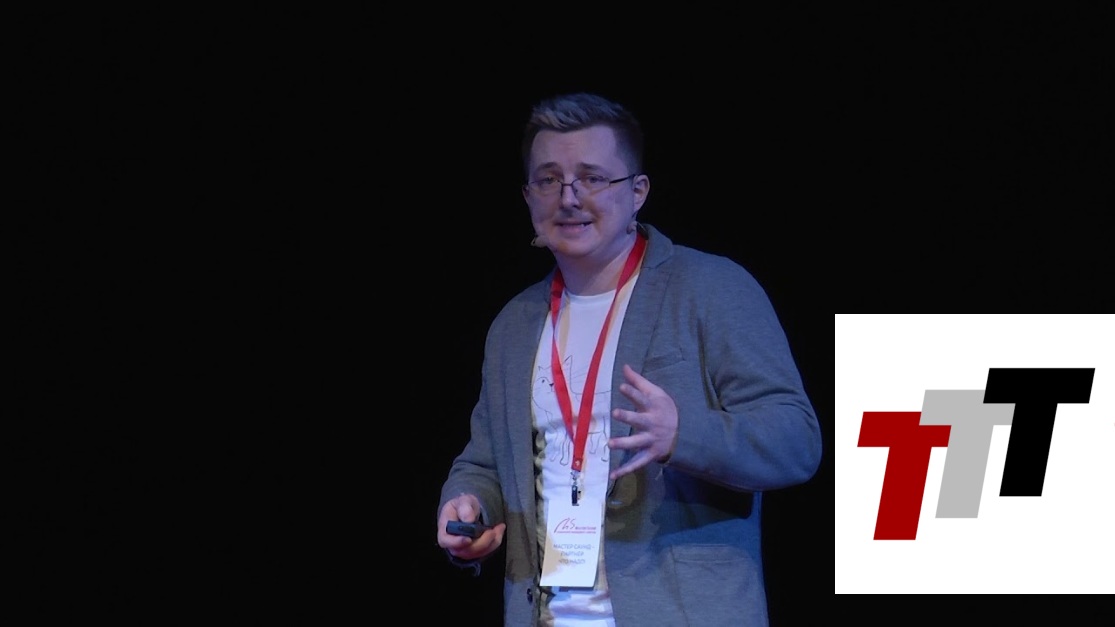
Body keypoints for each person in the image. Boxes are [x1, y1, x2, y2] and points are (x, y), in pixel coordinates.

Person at [435, 91, 822, 627]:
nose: (569, 198)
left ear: (638, 192)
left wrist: (685, 435)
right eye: (549, 180)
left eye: (592, 178)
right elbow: (484, 463)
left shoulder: (710, 289)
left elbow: (796, 440)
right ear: (527, 196)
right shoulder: (513, 326)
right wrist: (468, 505)